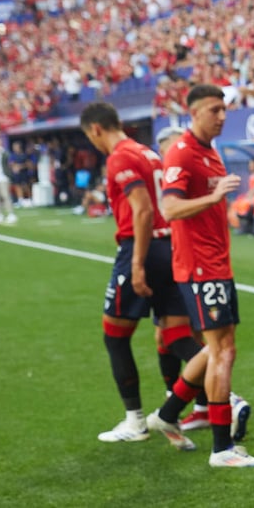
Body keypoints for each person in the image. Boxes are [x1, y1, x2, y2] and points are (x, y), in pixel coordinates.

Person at [151, 84, 254, 468]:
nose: (222, 116)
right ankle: (222, 449)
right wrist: (213, 198)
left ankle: (168, 413)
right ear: (195, 112)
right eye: (214, 109)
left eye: (223, 109)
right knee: (223, 351)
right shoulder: (182, 153)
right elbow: (169, 208)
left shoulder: (208, 152)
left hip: (215, 264)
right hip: (201, 267)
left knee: (215, 348)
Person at [80, 102, 206, 444]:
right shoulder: (149, 154)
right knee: (177, 336)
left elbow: (144, 210)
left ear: (95, 130)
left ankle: (135, 421)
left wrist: (136, 263)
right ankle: (219, 401)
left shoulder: (120, 157)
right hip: (169, 249)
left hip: (144, 248)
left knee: (114, 335)